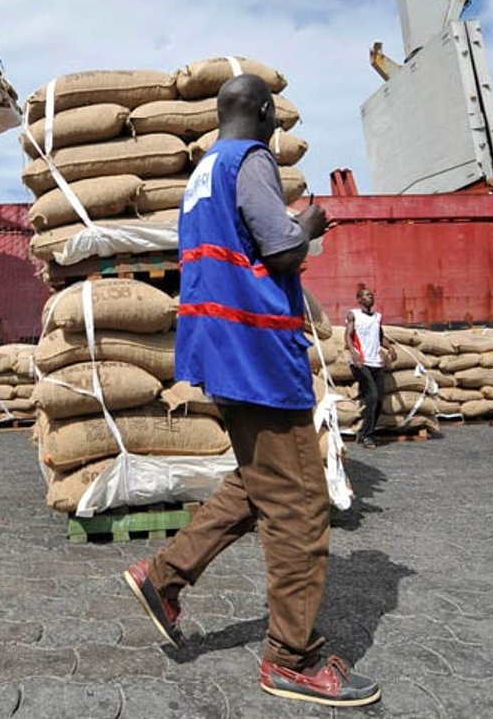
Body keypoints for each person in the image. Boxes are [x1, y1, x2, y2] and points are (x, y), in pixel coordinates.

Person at [122, 74, 381, 708]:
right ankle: (291, 659)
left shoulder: (201, 172)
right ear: (265, 112)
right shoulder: (252, 160)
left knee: (256, 480)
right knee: (299, 507)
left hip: (222, 353)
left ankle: (164, 576)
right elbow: (283, 247)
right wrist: (311, 223)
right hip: (260, 357)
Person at [345, 286, 397, 449]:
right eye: (366, 295)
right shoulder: (354, 314)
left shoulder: (377, 317)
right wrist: (353, 352)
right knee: (372, 396)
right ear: (359, 300)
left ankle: (366, 432)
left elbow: (380, 336)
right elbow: (347, 335)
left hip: (376, 363)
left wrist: (390, 347)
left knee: (379, 400)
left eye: (371, 295)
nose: (370, 297)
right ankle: (367, 436)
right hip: (361, 363)